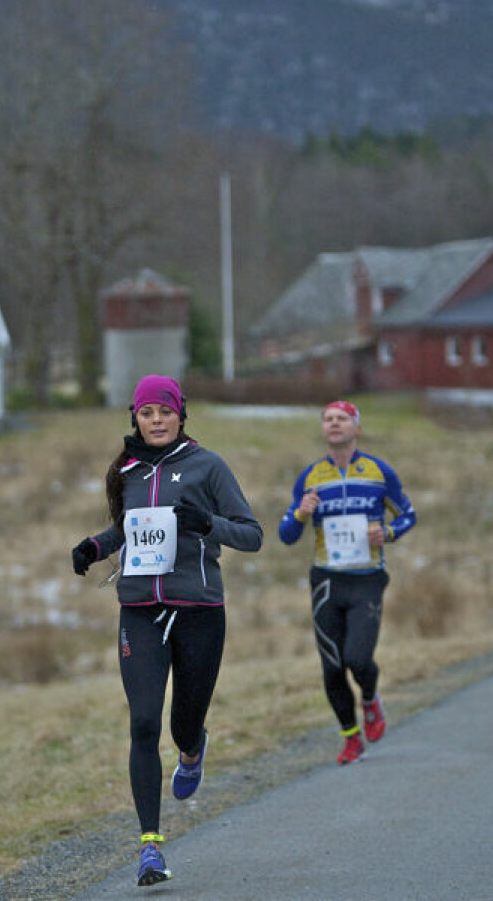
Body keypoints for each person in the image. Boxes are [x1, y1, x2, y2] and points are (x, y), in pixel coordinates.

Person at [71, 375, 263, 887]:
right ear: (134, 417)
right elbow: (126, 526)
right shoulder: (126, 470)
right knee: (142, 724)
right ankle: (150, 847)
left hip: (199, 611)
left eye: (165, 411)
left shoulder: (208, 465)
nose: (156, 420)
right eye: (146, 412)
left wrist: (207, 523)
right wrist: (94, 546)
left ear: (181, 414)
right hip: (139, 611)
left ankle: (193, 749)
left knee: (182, 726)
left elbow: (252, 535)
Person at [278, 400, 417, 765]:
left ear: (356, 427)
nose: (334, 424)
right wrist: (300, 513)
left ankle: (370, 698)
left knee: (357, 657)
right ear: (323, 429)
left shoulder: (378, 472)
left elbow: (409, 515)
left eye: (342, 419)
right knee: (332, 666)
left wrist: (386, 532)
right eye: (328, 419)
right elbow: (286, 534)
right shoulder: (310, 477)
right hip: (326, 580)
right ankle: (350, 737)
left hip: (366, 579)